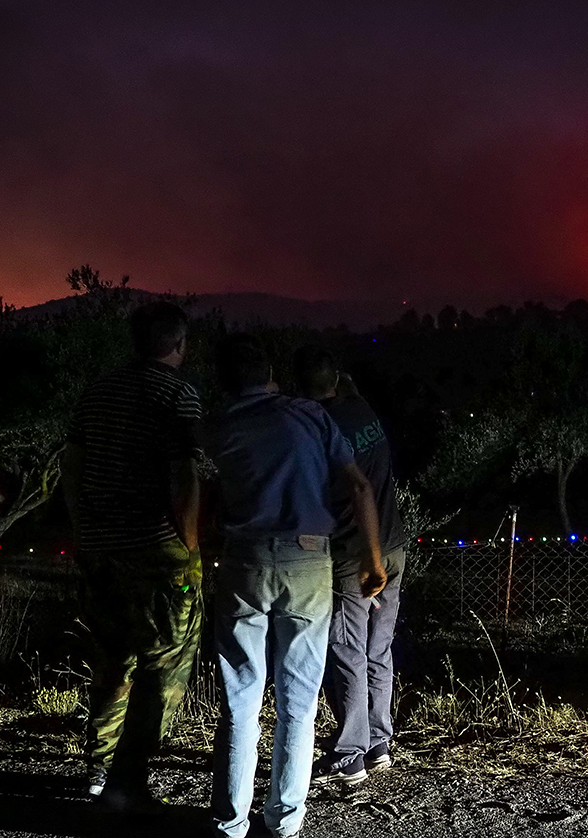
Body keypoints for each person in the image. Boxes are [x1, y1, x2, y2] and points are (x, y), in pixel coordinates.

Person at [210, 334, 386, 838]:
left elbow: (200, 484)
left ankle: (230, 824)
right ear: (270, 375)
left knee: (241, 698)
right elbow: (358, 484)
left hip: (243, 559)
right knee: (299, 701)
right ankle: (284, 823)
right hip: (309, 560)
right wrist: (373, 559)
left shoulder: (219, 425)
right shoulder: (311, 415)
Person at [61, 300, 203, 811]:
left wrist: (83, 529)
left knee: (109, 660)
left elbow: (71, 465)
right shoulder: (179, 396)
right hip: (156, 551)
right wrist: (189, 546)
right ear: (180, 345)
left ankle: (98, 766)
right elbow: (184, 476)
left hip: (99, 547)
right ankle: (131, 773)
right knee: (166, 661)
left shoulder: (97, 390)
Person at [292, 347, 407, 787]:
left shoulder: (318, 426)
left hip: (355, 555)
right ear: (337, 379)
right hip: (395, 544)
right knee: (379, 648)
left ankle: (348, 753)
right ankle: (378, 741)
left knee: (346, 650)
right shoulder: (362, 409)